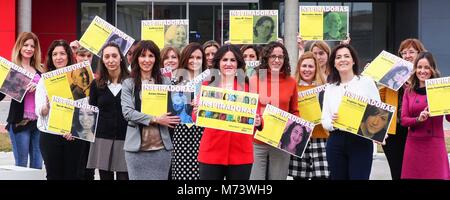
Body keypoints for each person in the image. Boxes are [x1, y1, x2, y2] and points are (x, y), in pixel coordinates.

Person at [193, 44, 262, 180]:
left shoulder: (248, 87)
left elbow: (257, 116)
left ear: (238, 63)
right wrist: (197, 111)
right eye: (224, 60)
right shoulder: (207, 86)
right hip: (212, 152)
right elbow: (197, 118)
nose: (228, 63)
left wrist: (258, 121)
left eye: (232, 60)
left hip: (241, 153)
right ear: (218, 63)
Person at [121, 40, 180, 180]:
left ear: (156, 59)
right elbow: (127, 113)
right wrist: (155, 119)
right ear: (136, 58)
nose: (147, 60)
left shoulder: (165, 82)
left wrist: (188, 105)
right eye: (143, 56)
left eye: (151, 56)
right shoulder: (128, 83)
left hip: (161, 150)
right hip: (136, 150)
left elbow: (173, 109)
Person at [321, 44, 381, 180]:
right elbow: (324, 120)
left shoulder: (367, 82)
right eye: (338, 57)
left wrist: (379, 131)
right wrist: (333, 122)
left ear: (353, 61)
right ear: (334, 63)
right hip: (336, 141)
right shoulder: (330, 87)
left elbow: (379, 112)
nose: (343, 60)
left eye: (346, 56)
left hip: (360, 140)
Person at [249, 42, 299, 180]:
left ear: (285, 60)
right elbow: (248, 109)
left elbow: (295, 111)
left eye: (280, 57)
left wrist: (294, 125)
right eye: (273, 56)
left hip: (281, 142)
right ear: (266, 58)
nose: (277, 60)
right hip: (256, 141)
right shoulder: (254, 80)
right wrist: (255, 118)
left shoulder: (291, 82)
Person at [36, 39, 84, 179]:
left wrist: (74, 130)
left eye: (62, 53)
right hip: (50, 134)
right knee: (53, 175)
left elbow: (84, 107)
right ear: (51, 57)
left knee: (73, 175)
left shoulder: (78, 77)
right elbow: (39, 111)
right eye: (55, 54)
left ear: (69, 56)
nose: (58, 57)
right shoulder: (44, 80)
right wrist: (47, 106)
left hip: (72, 135)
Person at [380, 38, 426, 180]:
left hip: (417, 129)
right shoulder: (393, 74)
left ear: (420, 53)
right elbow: (379, 98)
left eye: (411, 52)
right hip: (394, 130)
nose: (407, 55)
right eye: (403, 52)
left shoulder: (425, 75)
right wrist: (375, 77)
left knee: (417, 172)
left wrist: (411, 84)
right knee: (398, 172)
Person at [400, 51, 449, 180]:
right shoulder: (409, 91)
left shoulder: (441, 89)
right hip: (414, 145)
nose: (423, 71)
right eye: (419, 67)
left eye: (427, 67)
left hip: (435, 145)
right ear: (415, 69)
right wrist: (418, 119)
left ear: (432, 69)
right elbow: (404, 120)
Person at [0, 32, 44, 169]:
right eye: (25, 45)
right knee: (21, 165)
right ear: (19, 46)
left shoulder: (40, 70)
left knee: (37, 165)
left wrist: (39, 87)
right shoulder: (12, 69)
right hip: (20, 122)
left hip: (38, 123)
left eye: (32, 46)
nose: (29, 48)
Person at [87, 42, 130, 180]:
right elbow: (91, 111)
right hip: (102, 139)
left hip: (126, 138)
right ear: (102, 60)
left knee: (124, 177)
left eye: (114, 56)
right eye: (106, 56)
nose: (110, 60)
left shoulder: (131, 82)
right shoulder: (96, 84)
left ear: (121, 58)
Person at [289, 52, 329, 180]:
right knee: (299, 178)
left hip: (320, 138)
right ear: (299, 68)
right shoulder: (293, 87)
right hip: (300, 140)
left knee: (322, 177)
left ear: (316, 68)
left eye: (310, 66)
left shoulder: (324, 88)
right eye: (304, 66)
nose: (307, 69)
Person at [171, 42, 207, 180]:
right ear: (185, 58)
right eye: (191, 57)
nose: (194, 61)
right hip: (182, 132)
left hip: (203, 132)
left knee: (202, 173)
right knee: (182, 173)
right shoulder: (175, 80)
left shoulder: (210, 80)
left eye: (198, 58)